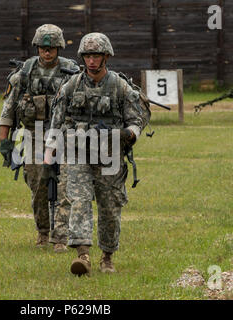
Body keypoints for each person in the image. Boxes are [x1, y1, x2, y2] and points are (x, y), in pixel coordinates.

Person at [44, 33, 151, 276]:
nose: (91, 61)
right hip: (77, 153)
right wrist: (50, 149)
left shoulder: (119, 86)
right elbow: (57, 118)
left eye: (96, 56)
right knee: (79, 201)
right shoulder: (72, 84)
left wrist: (128, 134)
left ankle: (107, 256)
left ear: (106, 57)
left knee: (110, 207)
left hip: (109, 156)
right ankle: (83, 255)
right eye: (88, 56)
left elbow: (137, 120)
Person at [0, 24, 78, 252]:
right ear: (36, 48)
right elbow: (8, 111)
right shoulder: (24, 73)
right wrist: (5, 143)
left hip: (64, 136)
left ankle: (61, 237)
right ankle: (43, 232)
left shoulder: (72, 72)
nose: (47, 52)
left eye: (52, 47)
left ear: (59, 48)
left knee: (65, 187)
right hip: (34, 135)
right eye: (43, 48)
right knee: (38, 186)